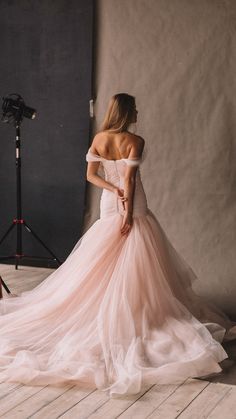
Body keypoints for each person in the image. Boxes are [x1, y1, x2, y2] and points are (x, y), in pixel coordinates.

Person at [0, 93, 235, 398]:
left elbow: (91, 176)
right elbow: (131, 181)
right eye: (134, 108)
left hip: (109, 201)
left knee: (107, 255)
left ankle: (117, 304)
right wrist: (127, 212)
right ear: (127, 113)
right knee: (134, 250)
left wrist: (113, 193)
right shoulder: (135, 140)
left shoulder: (100, 138)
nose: (138, 111)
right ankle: (133, 310)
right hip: (130, 203)